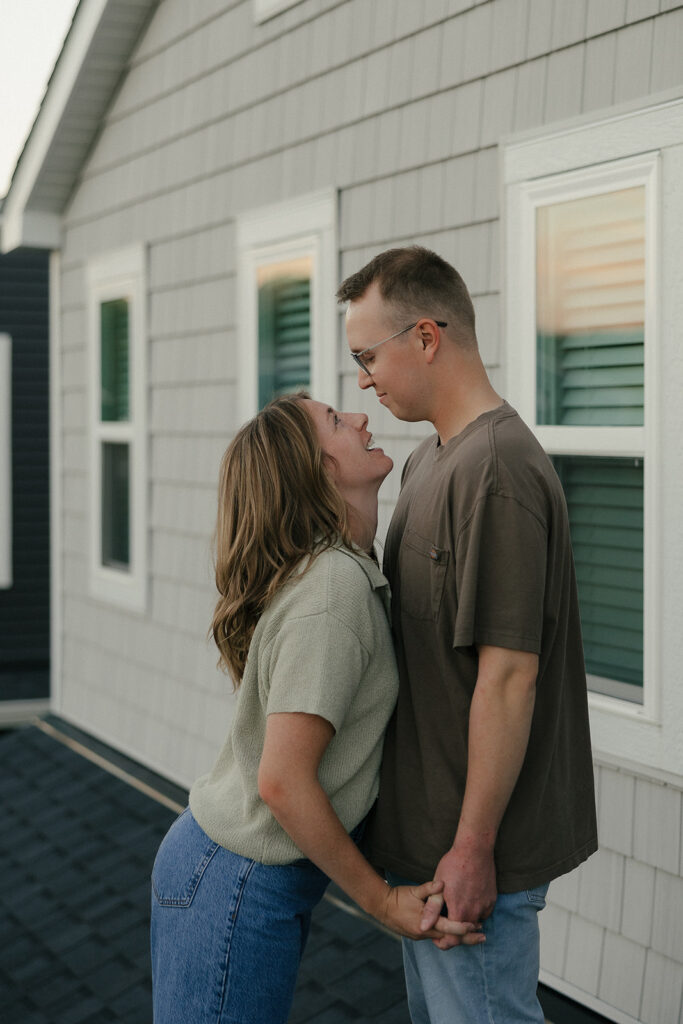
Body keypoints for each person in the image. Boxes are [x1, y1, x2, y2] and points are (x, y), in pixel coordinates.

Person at [150, 393, 482, 1024]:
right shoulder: (332, 590)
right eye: (336, 420)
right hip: (234, 881)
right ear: (318, 470)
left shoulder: (345, 569)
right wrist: (383, 904)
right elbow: (282, 780)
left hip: (236, 877)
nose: (360, 417)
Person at [338, 246, 598, 1024]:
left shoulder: (497, 470)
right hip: (426, 847)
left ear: (425, 337)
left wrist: (473, 845)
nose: (361, 380)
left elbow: (508, 675)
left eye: (366, 355)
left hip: (473, 855)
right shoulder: (426, 463)